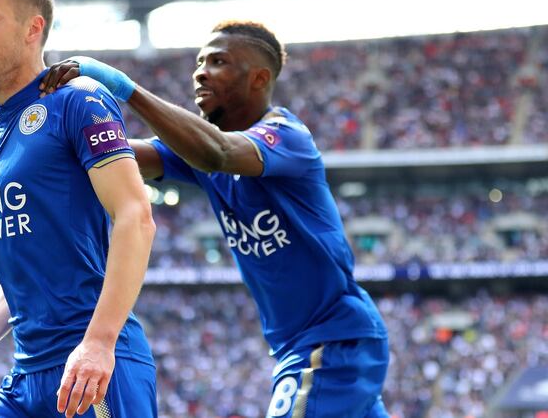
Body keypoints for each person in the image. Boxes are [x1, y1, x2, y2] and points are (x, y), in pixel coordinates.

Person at [38, 21, 390, 417]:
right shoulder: (200, 153)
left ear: (258, 78)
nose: (200, 71)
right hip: (306, 344)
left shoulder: (287, 136)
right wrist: (50, 127)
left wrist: (128, 90)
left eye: (218, 61)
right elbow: (115, 156)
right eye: (199, 61)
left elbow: (216, 152)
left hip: (334, 341)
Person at [0, 0, 158, 417]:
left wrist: (100, 344)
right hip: (26, 376)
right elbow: (27, 259)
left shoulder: (78, 100)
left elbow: (135, 216)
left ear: (33, 29)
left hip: (91, 370)